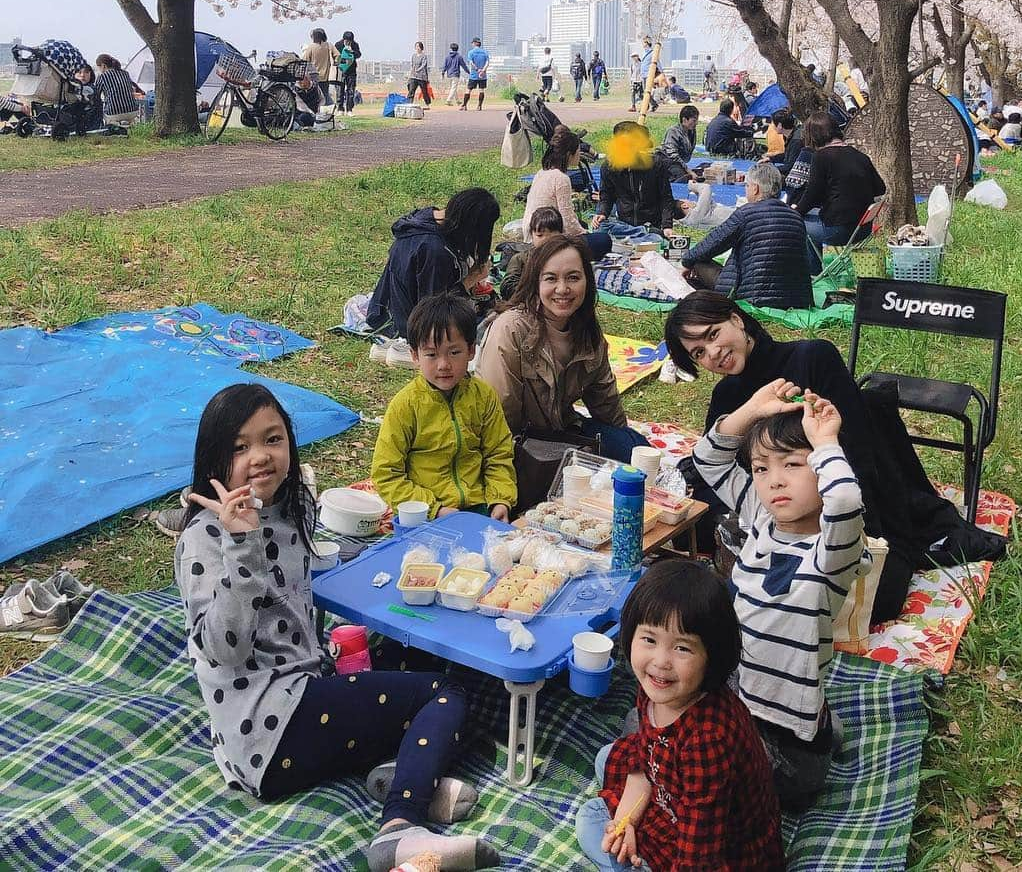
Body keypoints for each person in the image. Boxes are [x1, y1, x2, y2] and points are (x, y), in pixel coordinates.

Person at [176, 382, 497, 872]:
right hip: (269, 730)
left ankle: (404, 774)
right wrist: (241, 547)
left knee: (434, 656)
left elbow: (297, 597)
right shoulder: (206, 536)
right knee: (446, 696)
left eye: (273, 439)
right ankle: (400, 827)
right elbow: (227, 650)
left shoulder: (287, 508)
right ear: (215, 459)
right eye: (240, 446)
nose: (260, 456)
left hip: (308, 688)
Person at [663, 291, 1005, 621]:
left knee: (875, 597)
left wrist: (864, 534)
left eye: (713, 334)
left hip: (837, 510)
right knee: (693, 535)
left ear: (736, 320)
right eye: (698, 353)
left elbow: (858, 450)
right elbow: (712, 467)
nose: (713, 353)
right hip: (773, 516)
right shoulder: (728, 395)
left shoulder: (811, 358)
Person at [692, 384, 862, 810]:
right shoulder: (761, 521)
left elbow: (843, 499)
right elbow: (707, 460)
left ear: (823, 469)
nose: (775, 481)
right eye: (762, 469)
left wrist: (824, 441)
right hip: (745, 693)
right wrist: (750, 409)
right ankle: (825, 724)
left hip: (787, 750)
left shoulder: (833, 551)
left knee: (700, 777)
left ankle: (819, 735)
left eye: (793, 464)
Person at [575, 560, 783, 871]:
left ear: (712, 656)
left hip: (721, 849)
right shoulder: (658, 688)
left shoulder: (706, 740)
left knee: (590, 819)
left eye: (682, 648)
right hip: (677, 793)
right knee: (608, 757)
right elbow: (643, 754)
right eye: (649, 639)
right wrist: (625, 824)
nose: (661, 661)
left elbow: (699, 857)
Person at [475, 233, 649, 463]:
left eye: (573, 277)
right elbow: (499, 416)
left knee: (636, 448)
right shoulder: (511, 328)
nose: (562, 289)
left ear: (587, 281)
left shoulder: (586, 330)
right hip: (517, 442)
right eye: (550, 279)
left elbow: (605, 400)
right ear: (536, 283)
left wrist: (621, 438)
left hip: (562, 429)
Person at [371, 294, 517, 522]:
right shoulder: (406, 405)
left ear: (471, 351)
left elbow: (498, 453)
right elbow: (386, 474)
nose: (443, 365)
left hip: (479, 507)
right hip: (424, 512)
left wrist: (500, 499)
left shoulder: (483, 396)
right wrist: (433, 508)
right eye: (431, 354)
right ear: (415, 356)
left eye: (454, 352)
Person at [366, 187, 501, 343]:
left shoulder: (426, 218)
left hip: (384, 308)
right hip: (404, 324)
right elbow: (434, 311)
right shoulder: (434, 251)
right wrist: (470, 279)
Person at [681, 162, 813, 310]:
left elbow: (711, 244)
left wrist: (687, 261)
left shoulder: (746, 213)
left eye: (747, 186)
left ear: (755, 188)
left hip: (754, 294)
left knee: (699, 262)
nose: (746, 190)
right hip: (799, 298)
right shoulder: (796, 217)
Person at [793, 109, 885, 258]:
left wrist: (793, 213)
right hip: (864, 228)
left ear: (814, 136)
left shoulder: (821, 157)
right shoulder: (859, 155)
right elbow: (880, 188)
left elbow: (811, 196)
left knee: (798, 223)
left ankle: (813, 271)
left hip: (840, 230)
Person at [523, 124, 612, 260]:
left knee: (582, 224)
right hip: (549, 240)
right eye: (578, 151)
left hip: (532, 233)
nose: (579, 154)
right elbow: (567, 221)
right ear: (569, 154)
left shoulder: (542, 172)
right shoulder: (561, 178)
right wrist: (585, 233)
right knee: (604, 240)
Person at [591, 121, 678, 236]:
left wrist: (667, 226)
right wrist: (602, 213)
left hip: (651, 222)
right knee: (600, 229)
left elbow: (666, 197)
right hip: (623, 223)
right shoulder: (608, 167)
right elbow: (606, 196)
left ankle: (647, 233)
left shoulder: (656, 164)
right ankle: (642, 233)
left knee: (655, 237)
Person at [499, 205, 563, 301]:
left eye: (552, 236)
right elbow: (507, 286)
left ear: (561, 235)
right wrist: (535, 292)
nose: (545, 240)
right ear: (532, 235)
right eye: (540, 235)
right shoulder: (521, 259)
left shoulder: (568, 258)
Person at [93, 54, 143, 127]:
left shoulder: (102, 76)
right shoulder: (125, 73)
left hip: (114, 113)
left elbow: (96, 95)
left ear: (103, 66)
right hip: (133, 111)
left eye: (98, 67)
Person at [660, 104, 700, 183]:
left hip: (680, 163)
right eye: (694, 120)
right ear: (684, 120)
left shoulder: (691, 131)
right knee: (683, 177)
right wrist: (688, 170)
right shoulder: (673, 132)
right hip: (668, 163)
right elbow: (672, 155)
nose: (696, 123)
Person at [300, 29, 338, 105]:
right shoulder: (328, 45)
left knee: (315, 96)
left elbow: (304, 60)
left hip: (313, 76)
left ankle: (318, 111)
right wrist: (336, 63)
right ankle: (329, 110)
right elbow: (338, 55)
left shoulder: (311, 47)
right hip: (325, 76)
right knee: (325, 94)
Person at [769, 109, 803, 177]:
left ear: (780, 125)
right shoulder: (790, 135)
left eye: (773, 124)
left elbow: (791, 166)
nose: (772, 126)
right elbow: (788, 154)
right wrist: (771, 159)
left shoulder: (796, 140)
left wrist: (769, 170)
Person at [459, 38, 489, 111]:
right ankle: (479, 106)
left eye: (472, 43)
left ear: (475, 43)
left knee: (468, 90)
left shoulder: (471, 52)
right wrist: (483, 70)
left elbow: (471, 63)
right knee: (481, 90)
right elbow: (487, 63)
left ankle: (464, 105)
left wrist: (477, 70)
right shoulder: (485, 52)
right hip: (483, 75)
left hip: (474, 75)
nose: (472, 44)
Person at [334, 32, 360, 112]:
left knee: (351, 90)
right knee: (339, 90)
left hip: (351, 71)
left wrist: (352, 51)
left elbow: (359, 54)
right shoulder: (338, 45)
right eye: (347, 41)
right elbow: (335, 57)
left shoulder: (355, 45)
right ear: (343, 39)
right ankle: (340, 108)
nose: (348, 43)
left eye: (350, 41)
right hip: (341, 70)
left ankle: (349, 109)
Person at [442, 42, 465, 106]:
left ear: (450, 49)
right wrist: (468, 72)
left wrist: (443, 73)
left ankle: (457, 101)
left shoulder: (447, 57)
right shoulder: (459, 57)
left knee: (453, 88)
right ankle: (448, 100)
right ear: (457, 49)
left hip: (449, 74)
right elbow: (464, 65)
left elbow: (444, 66)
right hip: (455, 74)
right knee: (453, 88)